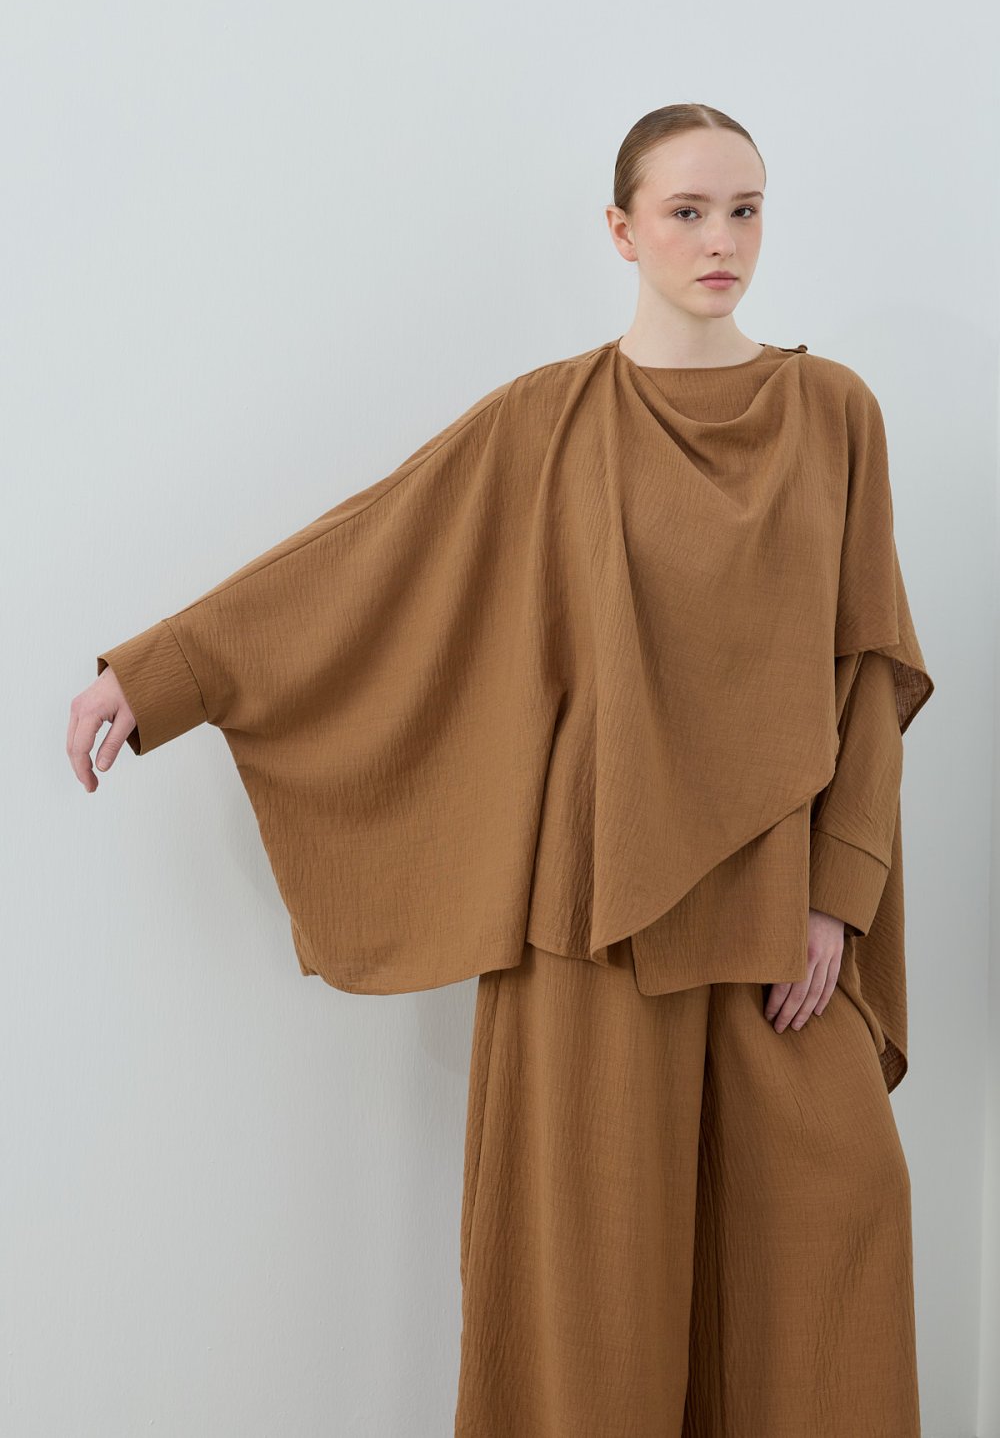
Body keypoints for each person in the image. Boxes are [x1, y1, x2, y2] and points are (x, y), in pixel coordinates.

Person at [68, 102, 934, 1436]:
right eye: (688, 212)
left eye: (745, 209)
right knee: (589, 1291)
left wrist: (840, 891)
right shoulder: (551, 418)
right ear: (622, 230)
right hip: (591, 917)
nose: (721, 239)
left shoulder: (836, 414)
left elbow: (866, 666)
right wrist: (161, 674)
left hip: (778, 919)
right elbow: (371, 553)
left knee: (828, 1249)